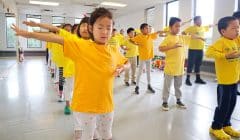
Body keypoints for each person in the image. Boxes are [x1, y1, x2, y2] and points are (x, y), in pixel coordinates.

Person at [12, 7, 130, 140]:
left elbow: (126, 62)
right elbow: (55, 37)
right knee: (88, 136)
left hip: (106, 103)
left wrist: (123, 68)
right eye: (100, 27)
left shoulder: (114, 50)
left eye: (108, 28)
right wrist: (29, 34)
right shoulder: (81, 46)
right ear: (92, 28)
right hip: (85, 104)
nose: (105, 32)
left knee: (107, 135)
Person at [206, 16, 240, 140]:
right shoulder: (221, 42)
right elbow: (208, 52)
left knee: (232, 103)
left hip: (234, 79)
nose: (237, 30)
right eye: (234, 28)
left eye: (238, 27)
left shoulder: (236, 40)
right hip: (224, 81)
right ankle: (215, 127)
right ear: (223, 31)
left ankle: (226, 125)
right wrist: (224, 55)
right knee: (223, 105)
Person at [159, 17, 194, 111]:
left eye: (179, 26)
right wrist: (172, 46)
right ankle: (165, 101)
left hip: (180, 68)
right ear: (170, 27)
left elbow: (191, 37)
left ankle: (178, 100)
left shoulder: (181, 37)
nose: (178, 28)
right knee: (167, 86)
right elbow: (161, 48)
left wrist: (199, 37)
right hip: (170, 67)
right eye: (176, 26)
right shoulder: (168, 38)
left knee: (178, 86)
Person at [131, 23, 165, 94]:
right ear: (142, 30)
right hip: (142, 58)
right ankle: (137, 86)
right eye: (146, 28)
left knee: (149, 72)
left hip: (149, 57)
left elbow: (158, 32)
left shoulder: (150, 35)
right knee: (139, 72)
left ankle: (149, 85)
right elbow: (130, 40)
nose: (148, 29)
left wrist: (165, 31)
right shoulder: (139, 37)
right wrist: (136, 44)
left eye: (148, 28)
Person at [183, 16, 214, 86]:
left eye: (201, 20)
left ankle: (198, 79)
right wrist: (190, 34)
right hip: (192, 49)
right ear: (195, 21)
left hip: (200, 49)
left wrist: (216, 24)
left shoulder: (203, 28)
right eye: (199, 20)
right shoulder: (191, 28)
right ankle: (187, 79)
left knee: (198, 64)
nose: (201, 21)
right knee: (190, 64)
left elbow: (209, 26)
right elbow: (183, 33)